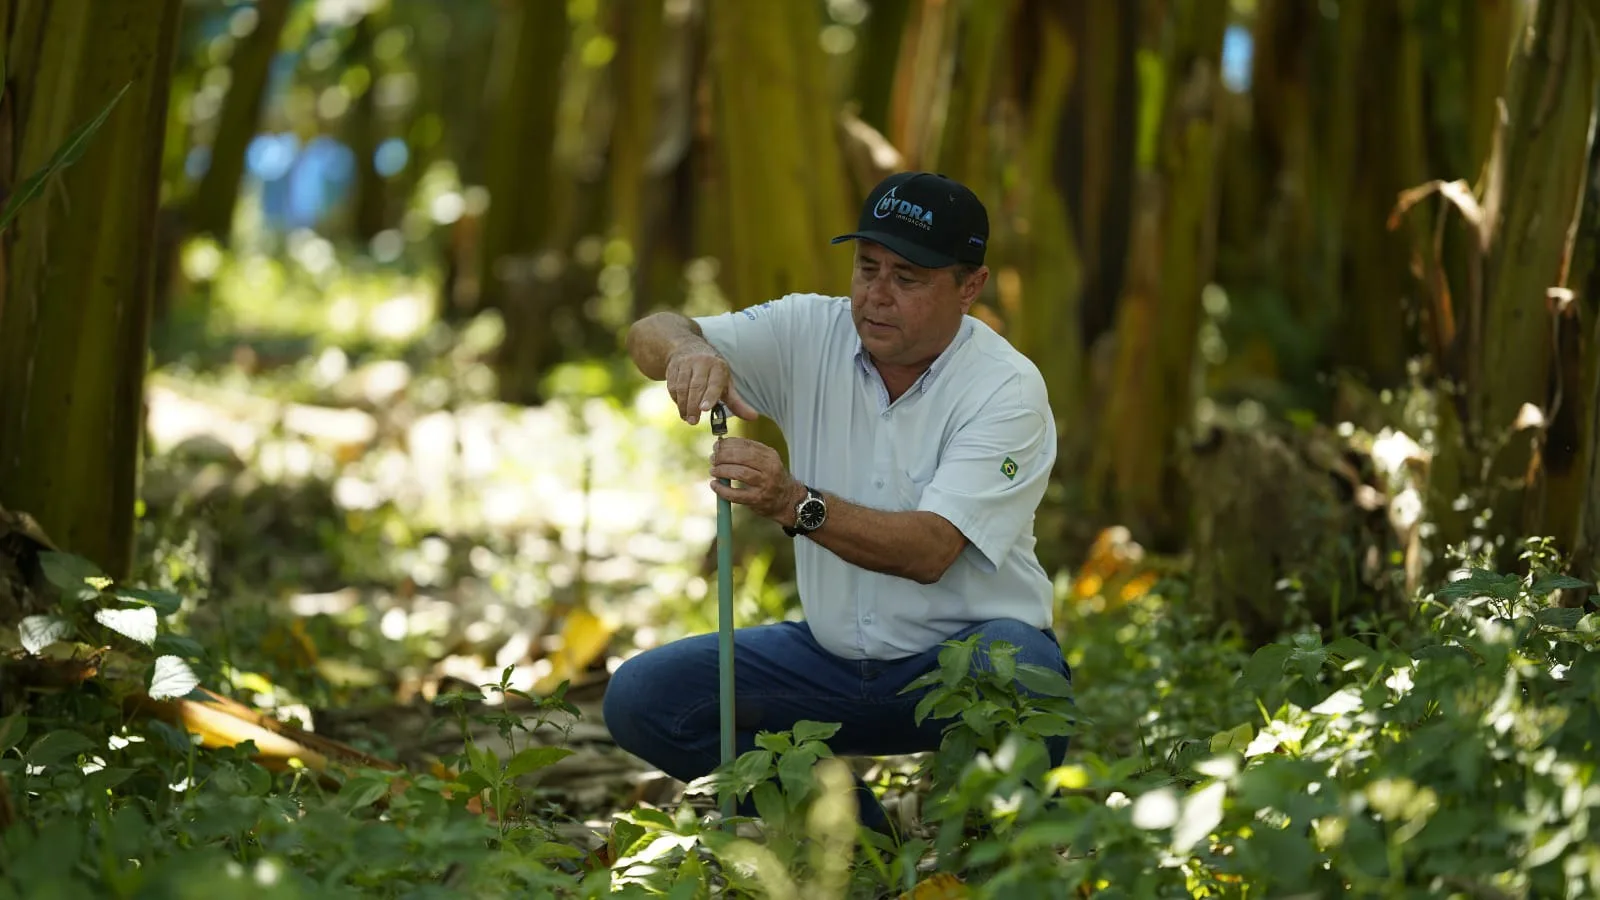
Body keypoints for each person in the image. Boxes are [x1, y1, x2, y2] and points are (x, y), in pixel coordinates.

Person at [603, 171, 1071, 835]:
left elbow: (932, 548)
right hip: (826, 664)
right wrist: (686, 350)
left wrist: (794, 502)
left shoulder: (1005, 389)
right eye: (866, 267)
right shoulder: (810, 330)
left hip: (957, 668)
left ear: (970, 287)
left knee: (1021, 667)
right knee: (643, 697)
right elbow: (650, 330)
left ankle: (995, 854)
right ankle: (852, 837)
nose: (876, 296)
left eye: (907, 278)